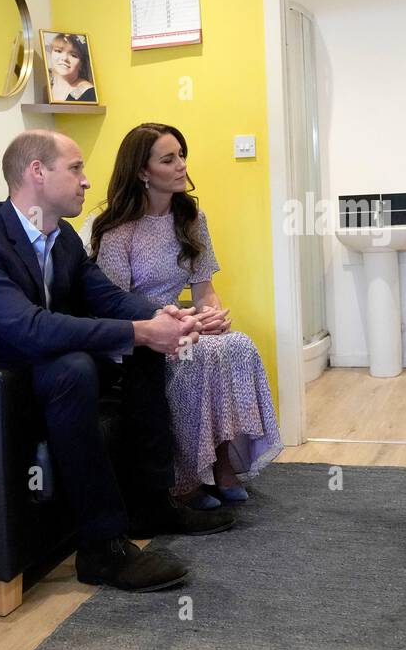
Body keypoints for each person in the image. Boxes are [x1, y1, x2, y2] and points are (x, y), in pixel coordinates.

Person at [0, 130, 235, 593]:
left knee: (143, 351)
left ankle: (152, 503)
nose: (87, 182)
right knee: (75, 368)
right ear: (37, 172)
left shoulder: (61, 236)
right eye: (75, 169)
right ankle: (102, 548)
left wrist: (169, 318)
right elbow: (28, 328)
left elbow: (105, 296)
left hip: (32, 361)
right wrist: (140, 330)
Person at [93, 123, 282, 508]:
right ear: (143, 172)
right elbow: (111, 303)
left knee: (236, 345)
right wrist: (178, 322)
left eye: (182, 155)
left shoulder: (192, 219)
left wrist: (212, 317)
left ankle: (223, 463)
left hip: (185, 324)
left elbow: (205, 291)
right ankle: (185, 479)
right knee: (200, 357)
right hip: (142, 335)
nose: (181, 166)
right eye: (168, 159)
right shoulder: (117, 230)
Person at [46, 33, 96, 102]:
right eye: (58, 51)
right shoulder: (46, 86)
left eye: (73, 55)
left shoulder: (88, 92)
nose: (64, 58)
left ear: (81, 64)